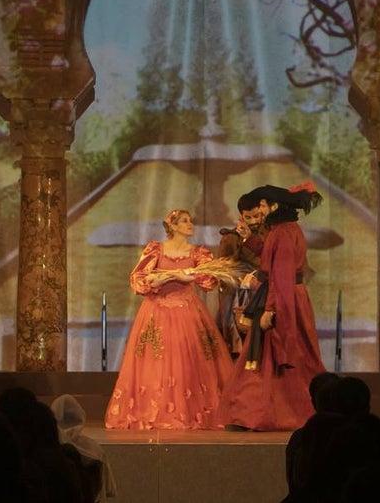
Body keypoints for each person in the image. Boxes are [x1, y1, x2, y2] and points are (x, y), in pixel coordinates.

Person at [104, 209, 234, 429]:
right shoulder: (156, 249)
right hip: (157, 311)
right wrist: (156, 281)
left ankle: (189, 411)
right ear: (173, 226)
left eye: (190, 221)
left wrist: (188, 275)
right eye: (184, 221)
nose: (190, 224)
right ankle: (154, 411)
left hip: (187, 311)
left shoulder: (198, 252)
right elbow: (138, 279)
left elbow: (209, 281)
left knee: (187, 361)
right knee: (156, 361)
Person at [215, 182, 326, 432]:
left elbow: (282, 274)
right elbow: (271, 258)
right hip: (285, 296)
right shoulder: (283, 230)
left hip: (284, 299)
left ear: (274, 206)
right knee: (271, 357)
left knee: (279, 356)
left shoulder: (284, 232)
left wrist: (271, 309)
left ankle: (260, 414)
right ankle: (255, 413)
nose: (260, 211)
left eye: (263, 206)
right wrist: (249, 240)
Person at [215, 192, 270, 358]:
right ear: (241, 217)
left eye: (257, 216)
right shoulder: (231, 238)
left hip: (266, 292)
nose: (253, 221)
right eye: (248, 217)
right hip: (240, 297)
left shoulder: (271, 234)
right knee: (240, 340)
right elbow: (224, 270)